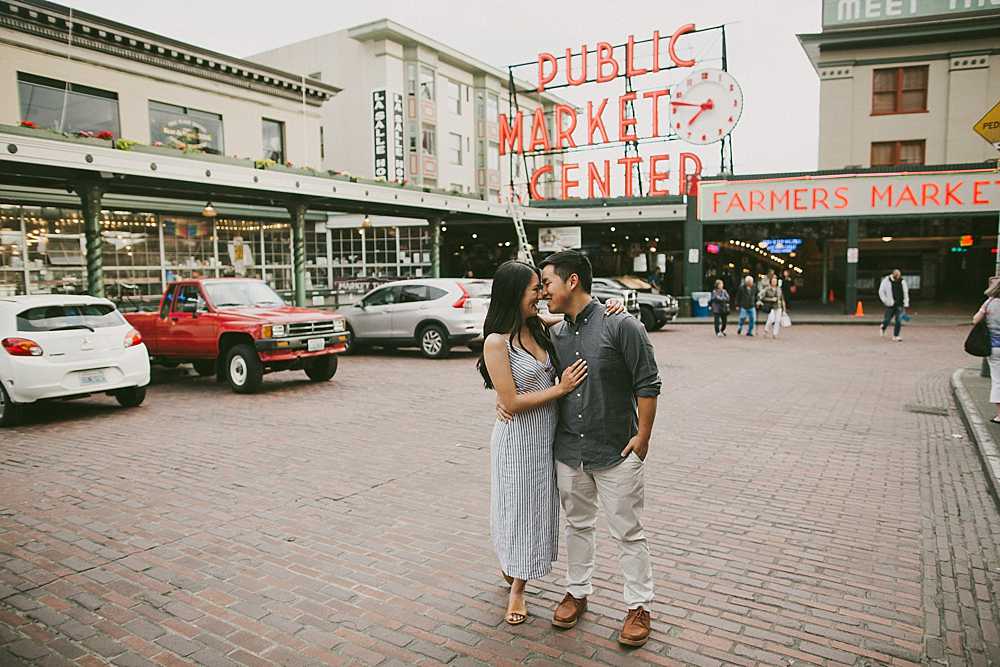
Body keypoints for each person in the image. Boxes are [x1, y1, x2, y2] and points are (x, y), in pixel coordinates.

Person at [479, 262, 627, 625]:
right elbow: (510, 402)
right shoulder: (496, 342)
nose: (542, 294)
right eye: (534, 289)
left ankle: (517, 566)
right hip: (517, 441)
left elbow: (580, 315)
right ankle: (517, 589)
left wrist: (614, 305)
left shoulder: (539, 325)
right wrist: (559, 389)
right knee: (517, 510)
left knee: (539, 512)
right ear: (515, 294)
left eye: (542, 287)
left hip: (547, 440)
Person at [534, 250, 661, 647]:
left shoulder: (622, 326)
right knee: (577, 525)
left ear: (572, 281)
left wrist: (643, 439)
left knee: (628, 531)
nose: (543, 292)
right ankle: (577, 591)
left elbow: (648, 383)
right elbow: (519, 318)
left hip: (616, 451)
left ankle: (639, 605)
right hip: (570, 451)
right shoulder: (555, 332)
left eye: (547, 283)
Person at [973, 278, 1000, 424]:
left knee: (997, 380)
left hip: (994, 347)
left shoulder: (989, 303)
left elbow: (975, 320)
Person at [878, 269, 909, 342]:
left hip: (900, 304)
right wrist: (885, 301)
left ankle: (896, 335)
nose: (898, 277)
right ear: (893, 275)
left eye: (899, 276)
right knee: (887, 319)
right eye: (896, 276)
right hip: (890, 304)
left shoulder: (902, 282)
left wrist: (906, 302)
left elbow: (905, 292)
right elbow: (881, 291)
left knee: (898, 320)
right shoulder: (886, 281)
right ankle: (883, 327)